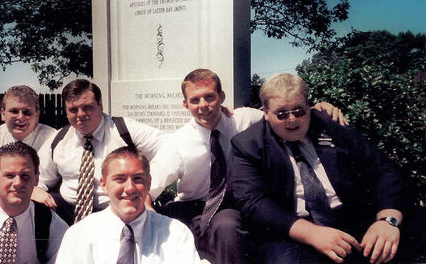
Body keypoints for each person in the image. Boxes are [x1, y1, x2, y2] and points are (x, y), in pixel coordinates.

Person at [148, 69, 347, 264]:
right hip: (195, 207)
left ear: (222, 96)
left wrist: (318, 108)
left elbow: (281, 115)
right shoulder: (177, 143)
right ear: (185, 104)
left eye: (210, 97)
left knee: (227, 224)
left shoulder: (244, 119)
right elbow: (148, 188)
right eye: (195, 100)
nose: (203, 106)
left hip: (235, 205)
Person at [230, 73, 425, 263]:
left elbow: (384, 170)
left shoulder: (332, 125)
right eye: (281, 114)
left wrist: (387, 221)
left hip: (354, 221)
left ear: (308, 105)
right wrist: (312, 233)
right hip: (294, 232)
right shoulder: (248, 144)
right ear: (265, 112)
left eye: (299, 111)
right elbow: (253, 202)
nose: (292, 120)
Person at [32, 79, 165, 225]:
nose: (80, 114)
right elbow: (41, 178)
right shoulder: (59, 139)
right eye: (73, 110)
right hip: (69, 213)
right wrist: (36, 190)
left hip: (118, 211)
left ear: (100, 104)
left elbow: (169, 150)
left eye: (87, 107)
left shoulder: (124, 130)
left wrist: (147, 192)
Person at [55, 146, 201, 263]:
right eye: (120, 179)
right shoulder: (80, 235)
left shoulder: (175, 234)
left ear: (148, 183)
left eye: (137, 178)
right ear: (104, 185)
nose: (130, 188)